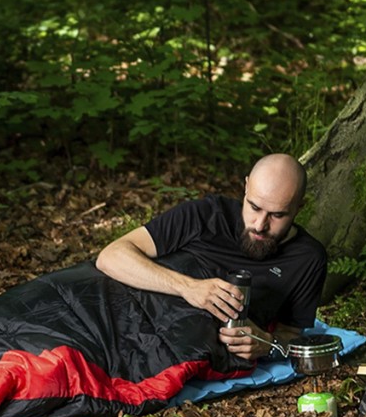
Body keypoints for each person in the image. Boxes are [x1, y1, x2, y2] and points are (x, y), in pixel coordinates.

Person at [95, 153, 327, 364]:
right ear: (246, 187)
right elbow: (111, 256)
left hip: (173, 348)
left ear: (299, 208)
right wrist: (188, 287)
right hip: (113, 311)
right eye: (254, 207)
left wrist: (267, 343)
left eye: (277, 215)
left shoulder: (307, 259)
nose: (260, 225)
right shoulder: (205, 215)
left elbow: (290, 334)